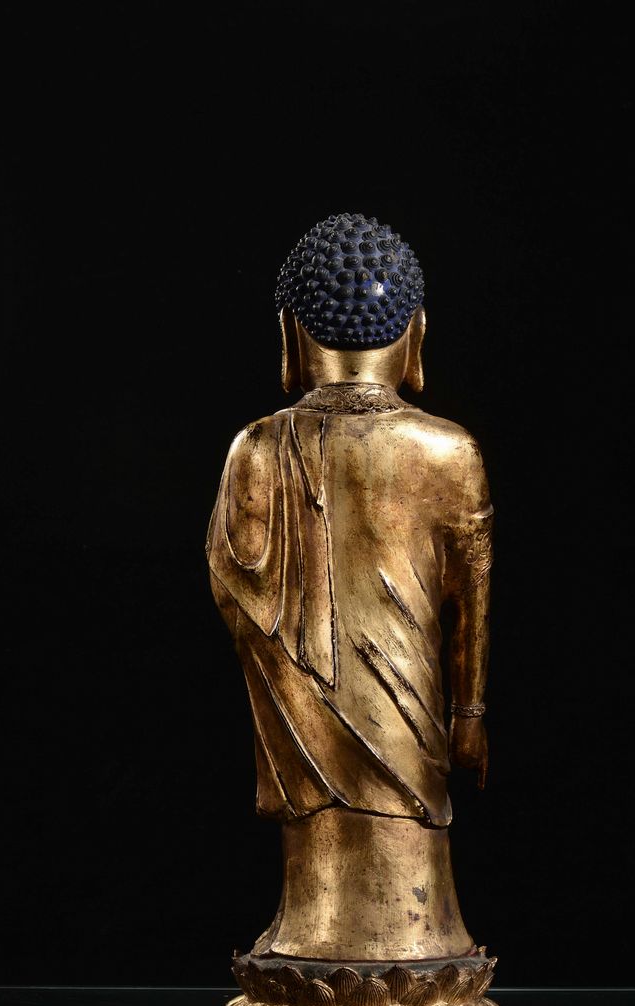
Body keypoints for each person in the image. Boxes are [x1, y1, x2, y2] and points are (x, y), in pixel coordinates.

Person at [207, 213, 492, 964]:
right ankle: (384, 946)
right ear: (416, 334)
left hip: (307, 710)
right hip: (408, 704)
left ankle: (343, 943)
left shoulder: (257, 446)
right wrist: (468, 714)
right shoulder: (449, 450)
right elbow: (472, 602)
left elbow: (233, 591)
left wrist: (296, 666)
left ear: (290, 334)